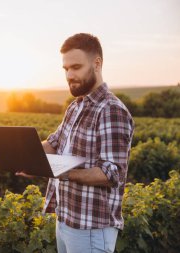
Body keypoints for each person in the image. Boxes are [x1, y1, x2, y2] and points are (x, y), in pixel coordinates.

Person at [16, 33, 134, 253]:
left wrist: (64, 172)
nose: (70, 75)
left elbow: (112, 174)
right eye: (66, 69)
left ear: (97, 64)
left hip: (91, 228)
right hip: (66, 219)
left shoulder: (111, 110)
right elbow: (54, 143)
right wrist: (25, 157)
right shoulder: (76, 106)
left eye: (76, 67)